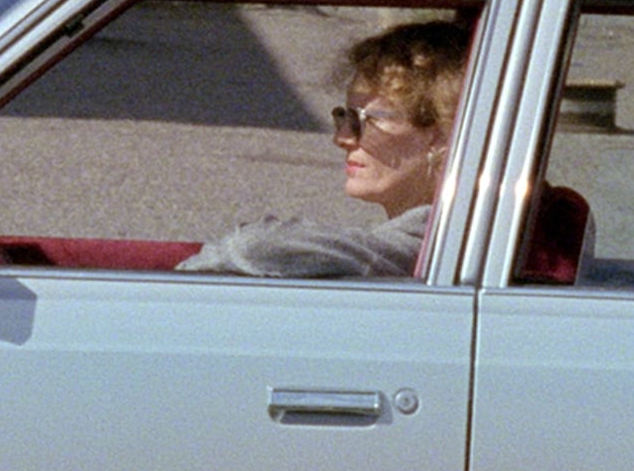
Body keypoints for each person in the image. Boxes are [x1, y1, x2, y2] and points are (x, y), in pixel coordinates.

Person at [177, 18, 472, 278]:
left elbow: (256, 247)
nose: (343, 138)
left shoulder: (432, 243)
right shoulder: (446, 236)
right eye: (344, 116)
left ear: (444, 132)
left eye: (364, 120)